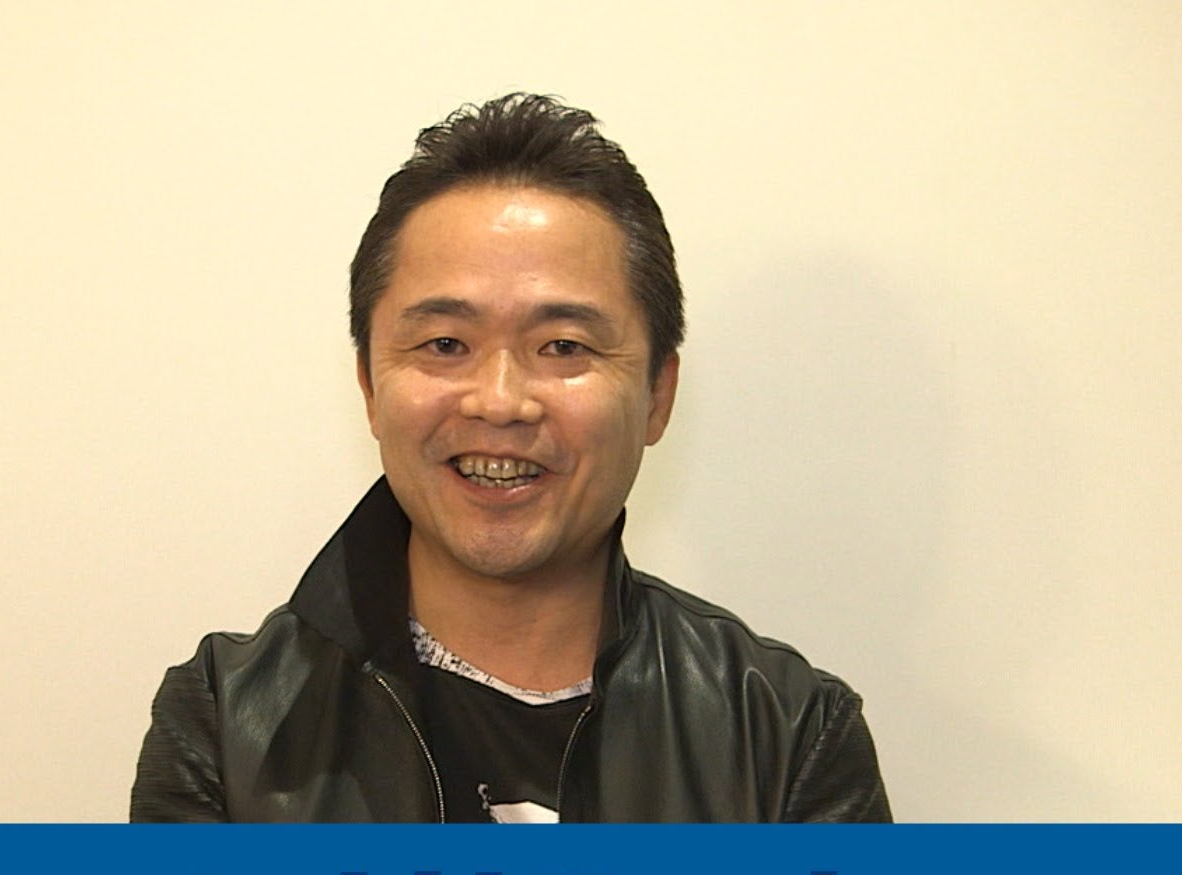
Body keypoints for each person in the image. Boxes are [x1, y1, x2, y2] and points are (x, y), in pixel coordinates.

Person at [131, 93, 890, 823]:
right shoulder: (228, 723)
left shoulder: (787, 733)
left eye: (563, 346)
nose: (499, 402)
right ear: (369, 386)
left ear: (658, 395)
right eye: (445, 344)